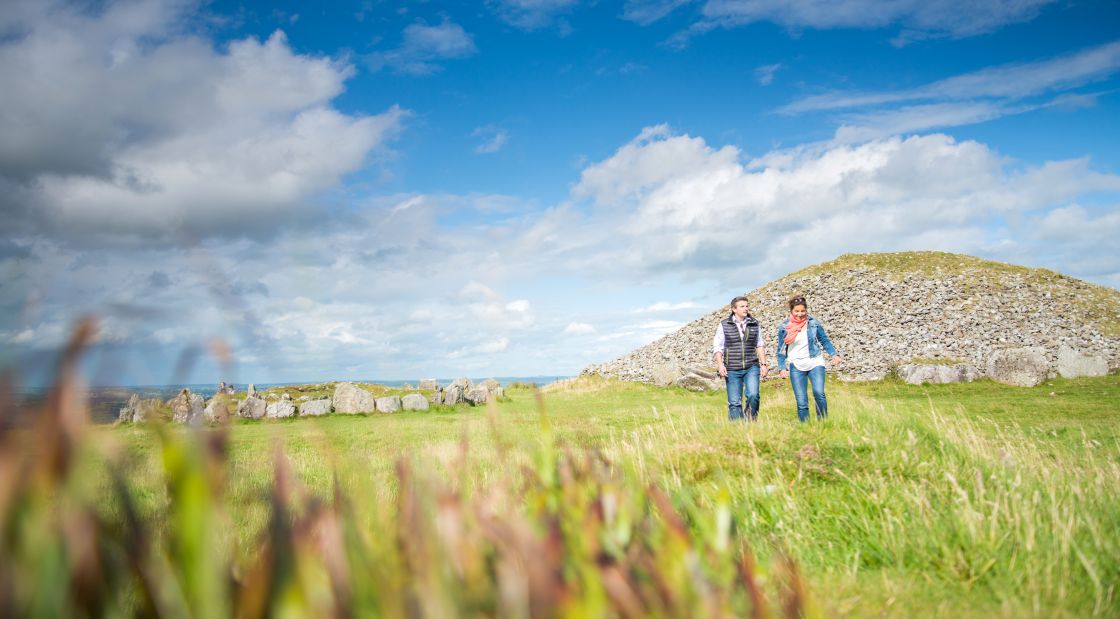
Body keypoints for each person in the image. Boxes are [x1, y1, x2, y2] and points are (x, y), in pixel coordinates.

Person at [776, 295, 842, 422]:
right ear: (791, 311)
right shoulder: (784, 327)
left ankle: (823, 423)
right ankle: (805, 427)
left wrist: (834, 354)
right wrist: (782, 367)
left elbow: (824, 340)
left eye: (802, 311)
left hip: (815, 361)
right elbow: (780, 348)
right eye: (797, 311)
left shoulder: (813, 323)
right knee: (801, 400)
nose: (800, 314)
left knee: (819, 393)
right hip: (796, 364)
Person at [713, 296, 769, 421]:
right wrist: (720, 365)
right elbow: (718, 347)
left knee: (753, 395)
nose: (746, 308)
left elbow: (759, 344)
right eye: (742, 306)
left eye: (747, 306)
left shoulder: (754, 323)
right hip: (732, 368)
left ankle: (750, 423)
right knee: (734, 402)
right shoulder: (724, 325)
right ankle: (737, 431)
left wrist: (763, 364)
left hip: (751, 367)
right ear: (734, 309)